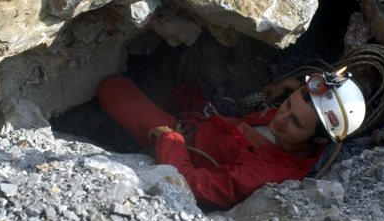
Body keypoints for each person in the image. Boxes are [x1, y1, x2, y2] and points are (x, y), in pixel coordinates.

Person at [97, 71, 365, 209]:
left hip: (182, 147)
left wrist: (169, 139)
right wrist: (287, 85)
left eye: (295, 121)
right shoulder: (299, 125)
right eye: (286, 104)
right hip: (211, 123)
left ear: (319, 141)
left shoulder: (261, 176)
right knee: (182, 91)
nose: (281, 117)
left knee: (112, 87)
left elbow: (189, 186)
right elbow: (304, 103)